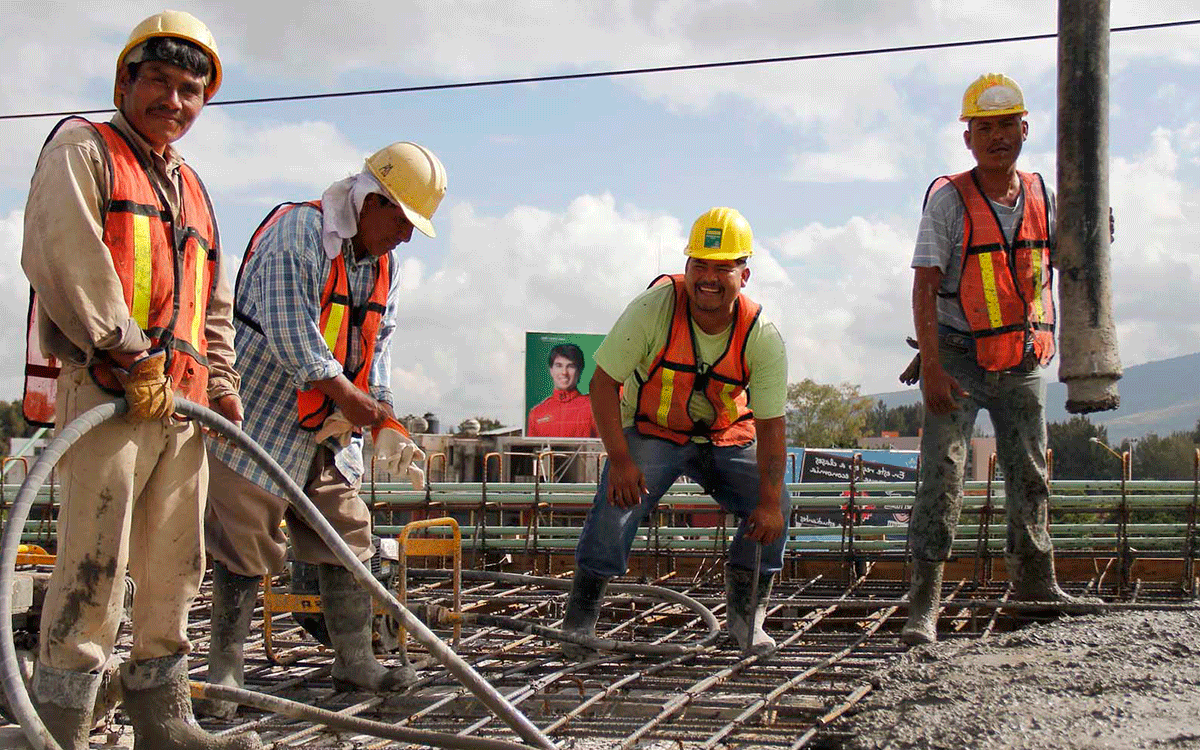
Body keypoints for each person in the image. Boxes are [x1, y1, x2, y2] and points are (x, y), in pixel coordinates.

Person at [19, 11, 261, 750]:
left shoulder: (194, 189)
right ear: (125, 80)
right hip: (110, 392)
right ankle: (59, 728)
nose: (175, 101)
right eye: (158, 80)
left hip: (182, 407)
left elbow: (211, 303)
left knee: (173, 571)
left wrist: (221, 383)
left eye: (191, 90)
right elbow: (65, 252)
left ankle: (164, 724)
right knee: (95, 565)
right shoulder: (84, 150)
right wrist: (124, 351)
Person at [198, 142, 446, 718]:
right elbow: (293, 338)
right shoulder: (299, 235)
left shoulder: (383, 263)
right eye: (403, 222)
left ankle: (354, 658)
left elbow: (376, 342)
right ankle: (226, 675)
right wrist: (354, 401)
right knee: (243, 544)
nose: (406, 237)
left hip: (325, 431)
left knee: (348, 532)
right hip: (259, 419)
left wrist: (380, 409)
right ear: (371, 200)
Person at [902, 74, 1098, 646]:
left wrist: (1093, 233)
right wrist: (933, 367)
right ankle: (924, 604)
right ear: (968, 139)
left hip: (1019, 357)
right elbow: (924, 286)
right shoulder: (949, 201)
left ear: (1024, 130)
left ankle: (1037, 585)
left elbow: (1072, 254)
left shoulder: (1041, 194)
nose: (996, 138)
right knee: (943, 475)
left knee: (1031, 472)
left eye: (1005, 125)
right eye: (983, 128)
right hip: (958, 357)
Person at [563, 207, 790, 658]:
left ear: (744, 275)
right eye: (699, 265)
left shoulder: (760, 336)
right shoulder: (654, 309)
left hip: (725, 436)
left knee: (775, 503)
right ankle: (580, 621)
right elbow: (603, 383)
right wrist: (623, 462)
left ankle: (746, 617)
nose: (709, 277)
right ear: (686, 267)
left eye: (723, 267)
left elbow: (771, 426)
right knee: (617, 500)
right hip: (652, 430)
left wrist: (767, 501)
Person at [527, 343, 598, 437]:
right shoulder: (536, 413)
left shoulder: (594, 407)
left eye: (571, 366)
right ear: (551, 370)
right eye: (559, 366)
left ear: (579, 371)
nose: (564, 372)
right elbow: (532, 450)